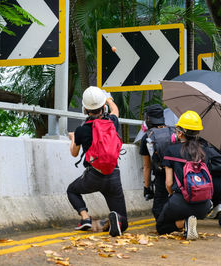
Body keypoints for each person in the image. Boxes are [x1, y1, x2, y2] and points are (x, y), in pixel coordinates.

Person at [67, 86, 128, 236]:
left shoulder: (81, 130)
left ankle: (85, 218)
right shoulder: (112, 122)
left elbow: (74, 153)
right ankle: (115, 219)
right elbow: (115, 111)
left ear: (85, 109)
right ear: (103, 107)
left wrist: (74, 138)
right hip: (113, 175)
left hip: (93, 176)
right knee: (124, 222)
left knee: (72, 190)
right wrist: (108, 98)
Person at [156, 110, 212, 240]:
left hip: (180, 201)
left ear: (180, 133)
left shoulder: (171, 150)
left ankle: (183, 223)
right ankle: (190, 220)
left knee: (161, 227)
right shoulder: (204, 153)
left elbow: (168, 184)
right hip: (204, 205)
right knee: (190, 211)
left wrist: (172, 197)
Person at [139, 104, 170, 220]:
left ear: (148, 119)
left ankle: (168, 224)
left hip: (161, 176)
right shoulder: (174, 132)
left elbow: (147, 166)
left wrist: (147, 187)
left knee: (158, 209)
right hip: (178, 175)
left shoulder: (147, 137)